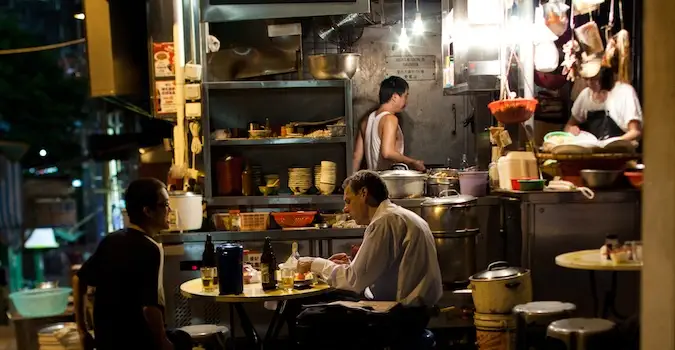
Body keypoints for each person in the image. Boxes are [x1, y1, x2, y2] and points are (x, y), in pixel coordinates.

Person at [75, 178, 191, 350]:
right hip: (136, 341)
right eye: (165, 204)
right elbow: (149, 308)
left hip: (105, 342)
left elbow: (78, 280)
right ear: (148, 211)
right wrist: (163, 342)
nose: (170, 210)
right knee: (184, 340)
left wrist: (83, 331)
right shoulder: (151, 248)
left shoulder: (111, 240)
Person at [297, 170, 442, 306]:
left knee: (309, 314)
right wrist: (354, 264)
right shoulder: (397, 216)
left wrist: (313, 263)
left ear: (363, 193)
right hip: (416, 309)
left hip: (400, 315)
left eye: (348, 201)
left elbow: (354, 281)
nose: (345, 209)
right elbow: (376, 269)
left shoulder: (384, 221)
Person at [351, 76, 426, 172]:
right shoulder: (390, 119)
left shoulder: (365, 121)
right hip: (388, 182)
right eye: (405, 96)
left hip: (373, 180)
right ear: (395, 97)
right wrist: (412, 162)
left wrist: (350, 182)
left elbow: (356, 157)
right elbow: (387, 152)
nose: (406, 101)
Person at [564, 55, 643, 143]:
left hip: (621, 151)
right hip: (594, 151)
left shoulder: (625, 92)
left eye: (594, 79)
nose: (589, 83)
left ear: (605, 76)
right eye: (587, 79)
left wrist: (610, 144)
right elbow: (568, 126)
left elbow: (636, 132)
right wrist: (571, 129)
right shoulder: (585, 95)